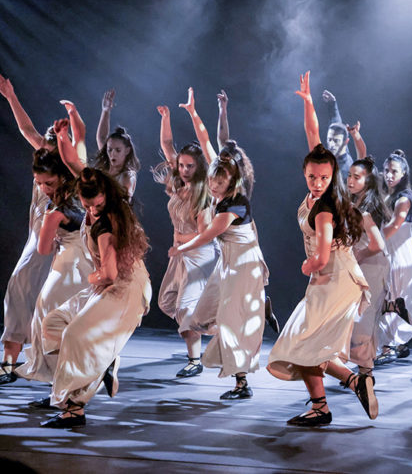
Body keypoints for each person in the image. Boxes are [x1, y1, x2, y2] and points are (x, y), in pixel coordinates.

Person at [267, 72, 376, 427]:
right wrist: (308, 102)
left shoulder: (326, 207)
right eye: (312, 177)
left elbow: (325, 253)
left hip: (333, 275)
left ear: (333, 177)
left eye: (324, 178)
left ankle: (322, 406)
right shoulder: (319, 178)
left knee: (303, 343)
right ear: (306, 171)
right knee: (305, 343)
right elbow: (313, 135)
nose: (317, 183)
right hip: (332, 278)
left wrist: (310, 264)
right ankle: (348, 386)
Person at [0, 74, 81, 388]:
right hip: (38, 240)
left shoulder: (73, 170)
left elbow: (79, 141)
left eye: (54, 145)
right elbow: (27, 129)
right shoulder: (44, 161)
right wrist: (10, 96)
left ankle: (65, 373)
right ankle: (10, 365)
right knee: (19, 291)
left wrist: (73, 119)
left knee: (56, 303)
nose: (46, 148)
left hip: (63, 243)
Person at [38, 164, 152, 427]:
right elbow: (74, 164)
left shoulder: (106, 225)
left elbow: (109, 274)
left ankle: (74, 409)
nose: (92, 209)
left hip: (125, 287)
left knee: (74, 334)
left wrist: (91, 278)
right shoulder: (92, 199)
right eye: (87, 205)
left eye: (97, 205)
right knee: (54, 323)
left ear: (106, 196)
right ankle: (103, 362)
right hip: (109, 283)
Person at [175, 87, 270, 398]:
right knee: (204, 314)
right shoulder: (222, 177)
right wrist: (200, 112)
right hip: (228, 262)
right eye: (212, 181)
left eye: (218, 182)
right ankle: (247, 319)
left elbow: (208, 234)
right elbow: (210, 140)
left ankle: (241, 383)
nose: (213, 186)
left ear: (233, 178)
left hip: (243, 266)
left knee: (230, 319)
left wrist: (181, 248)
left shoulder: (235, 204)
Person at [15, 139, 92, 387]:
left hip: (69, 264)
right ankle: (71, 378)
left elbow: (43, 249)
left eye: (48, 183)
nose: (43, 188)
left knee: (48, 315)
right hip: (87, 262)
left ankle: (62, 379)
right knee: (73, 318)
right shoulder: (81, 194)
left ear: (61, 177)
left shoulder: (55, 210)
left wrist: (50, 228)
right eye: (38, 183)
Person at [153, 104, 217, 377]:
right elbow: (167, 146)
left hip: (200, 255)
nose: (184, 169)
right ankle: (223, 324)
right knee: (167, 303)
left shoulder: (204, 193)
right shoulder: (179, 183)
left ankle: (194, 360)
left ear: (199, 167)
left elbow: (205, 234)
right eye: (181, 165)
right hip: (180, 253)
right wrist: (166, 118)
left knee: (185, 307)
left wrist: (180, 239)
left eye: (190, 166)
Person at [376, 149, 412, 363]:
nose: (389, 175)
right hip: (388, 250)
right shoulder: (384, 191)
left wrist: (371, 242)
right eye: (386, 170)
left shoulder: (404, 198)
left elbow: (395, 225)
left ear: (403, 173)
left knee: (396, 294)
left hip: (399, 253)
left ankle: (391, 344)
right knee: (388, 294)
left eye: (394, 171)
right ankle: (396, 342)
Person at [347, 156, 391, 375]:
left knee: (364, 320)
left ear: (368, 181)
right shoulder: (356, 203)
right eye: (349, 176)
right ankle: (363, 370)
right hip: (363, 267)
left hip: (372, 267)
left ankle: (366, 373)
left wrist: (359, 254)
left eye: (357, 177)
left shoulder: (367, 209)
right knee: (359, 319)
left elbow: (378, 244)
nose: (350, 180)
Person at [92, 89, 140, 198]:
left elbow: (122, 201)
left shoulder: (127, 176)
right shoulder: (106, 165)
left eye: (118, 150)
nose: (112, 154)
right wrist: (105, 111)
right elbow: (101, 137)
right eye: (109, 150)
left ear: (127, 150)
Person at [320, 88, 367, 177]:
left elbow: (362, 156)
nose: (331, 145)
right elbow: (336, 126)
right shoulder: (340, 152)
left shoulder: (348, 170)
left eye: (336, 141)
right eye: (329, 140)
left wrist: (356, 136)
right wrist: (332, 104)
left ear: (346, 142)